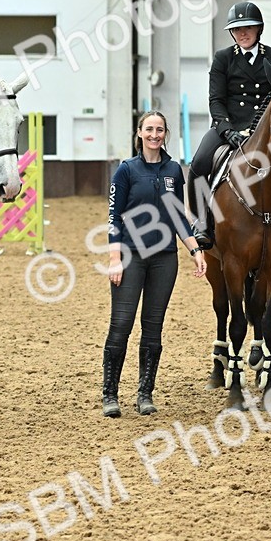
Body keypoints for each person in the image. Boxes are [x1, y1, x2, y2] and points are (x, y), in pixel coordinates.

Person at [189, 1, 271, 250]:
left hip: (267, 129)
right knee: (198, 164)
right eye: (237, 29)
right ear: (232, 32)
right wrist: (227, 130)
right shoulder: (223, 58)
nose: (243, 33)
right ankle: (202, 223)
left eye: (248, 28)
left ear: (258, 29)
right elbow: (216, 100)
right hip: (229, 127)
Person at [102, 111, 207, 418]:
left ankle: (145, 393)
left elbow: (177, 215)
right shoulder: (126, 170)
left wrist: (195, 250)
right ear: (139, 132)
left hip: (164, 259)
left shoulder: (174, 169)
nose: (154, 134)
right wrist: (114, 259)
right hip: (130, 257)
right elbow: (113, 218)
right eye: (149, 129)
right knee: (121, 325)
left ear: (165, 134)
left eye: (159, 129)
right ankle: (110, 394)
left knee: (153, 327)